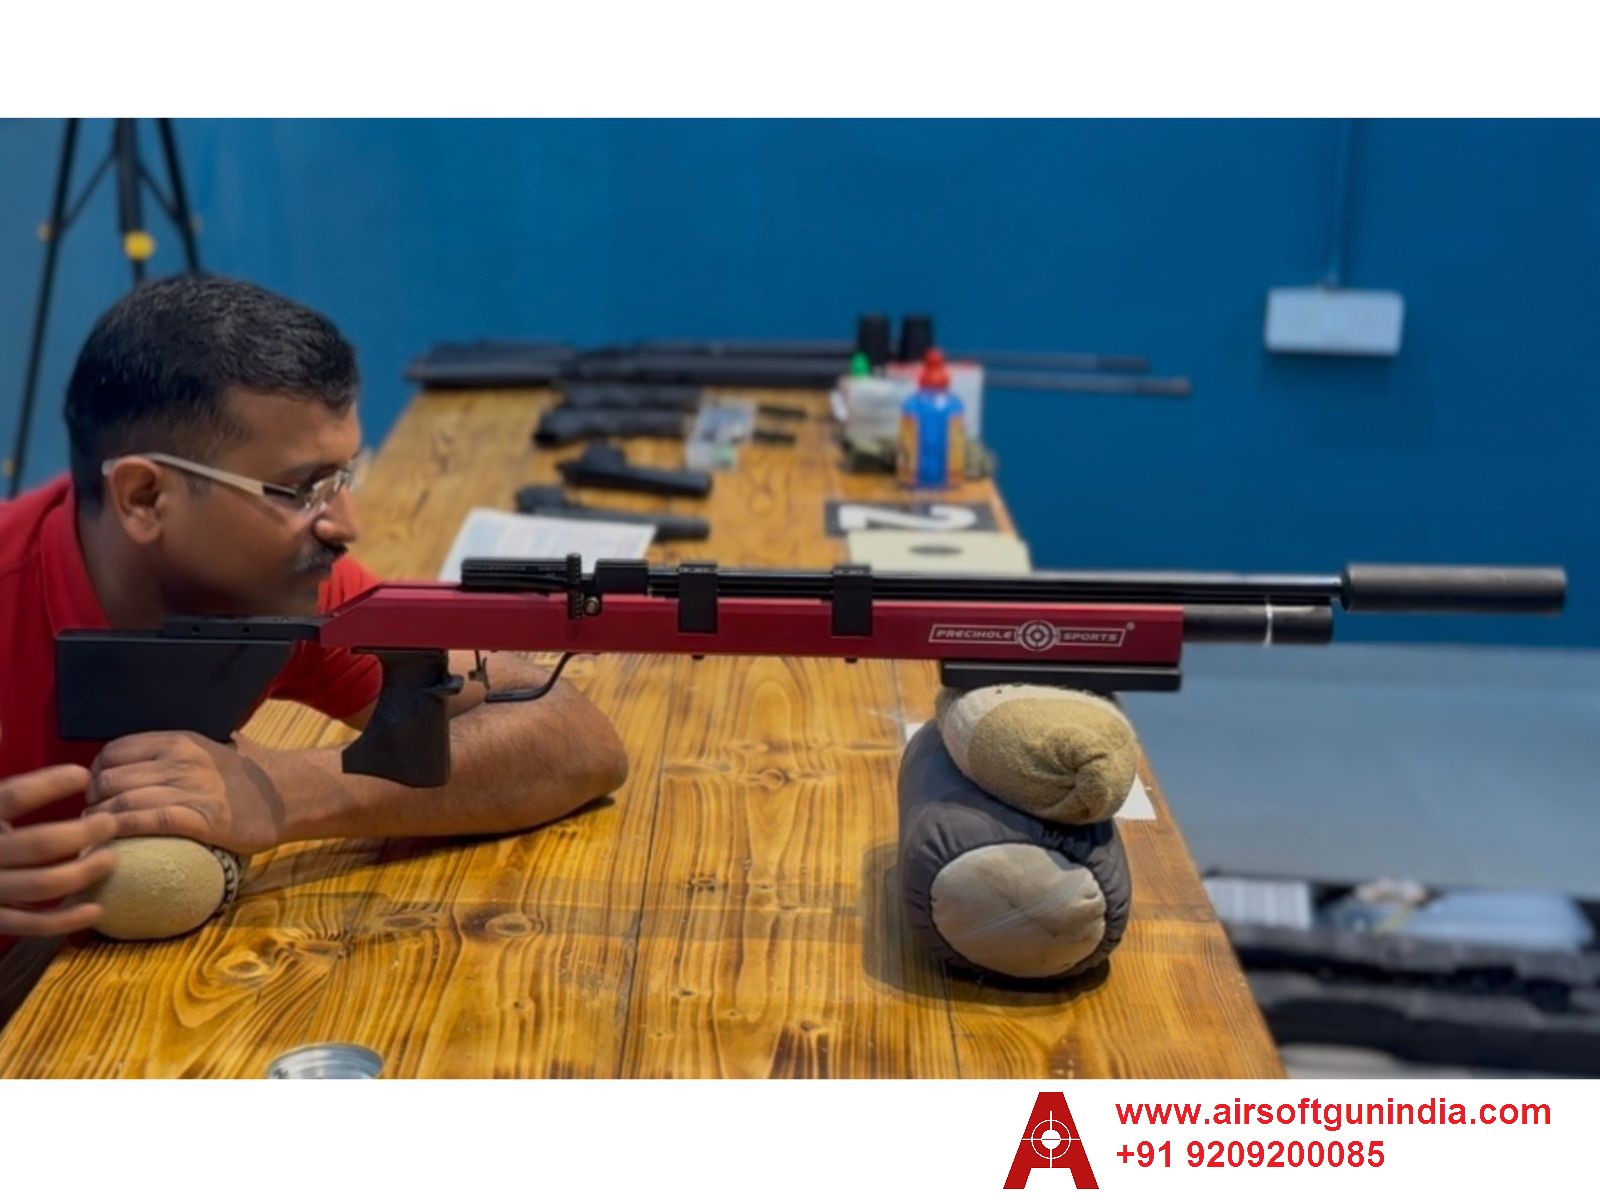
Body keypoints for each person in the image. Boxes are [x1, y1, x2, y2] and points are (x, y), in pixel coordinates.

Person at [0, 275, 629, 954]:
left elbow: (575, 740)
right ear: (145, 497)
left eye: (343, 477)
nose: (345, 525)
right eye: (301, 489)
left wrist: (284, 792)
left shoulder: (283, 584)